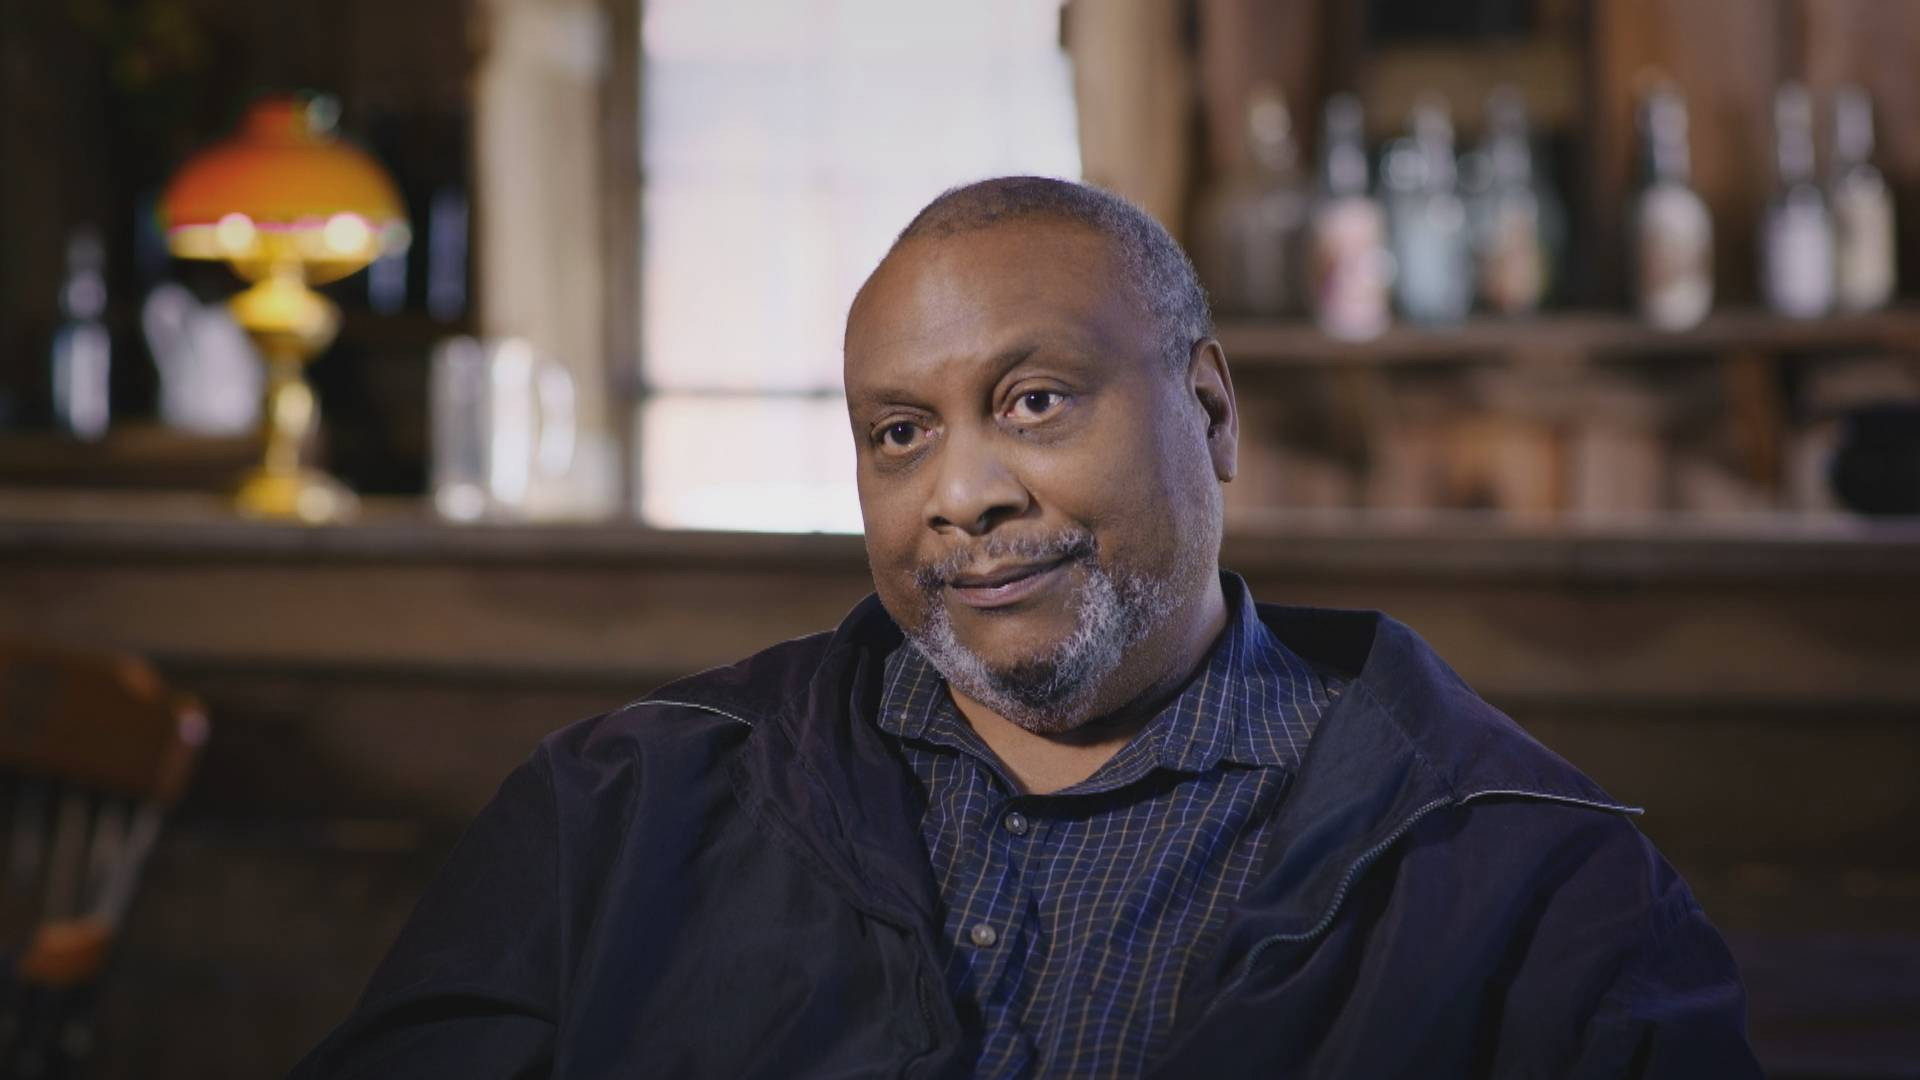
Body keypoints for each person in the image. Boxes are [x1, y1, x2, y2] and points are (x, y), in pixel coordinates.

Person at [294, 177, 1760, 1078]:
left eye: (1035, 401)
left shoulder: (1533, 881)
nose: (962, 495)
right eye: (898, 433)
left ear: (1210, 410)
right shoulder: (622, 805)